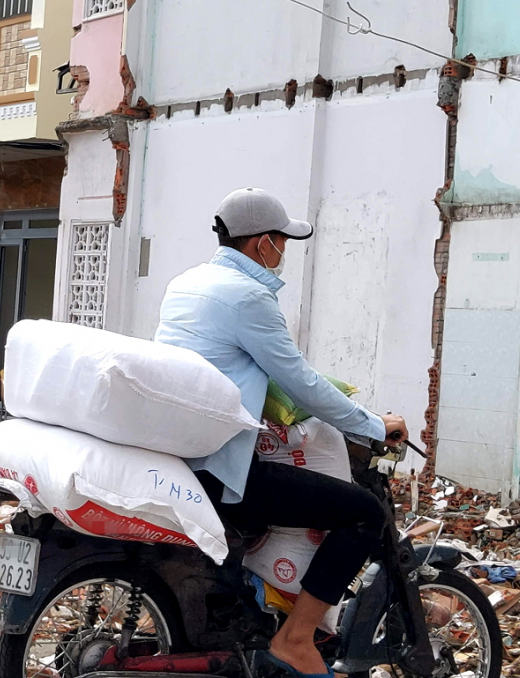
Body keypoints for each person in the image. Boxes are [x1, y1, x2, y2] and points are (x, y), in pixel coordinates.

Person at [155, 188, 408, 678]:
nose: (283, 253)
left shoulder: (186, 283)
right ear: (261, 244)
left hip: (183, 455)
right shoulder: (249, 297)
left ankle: (253, 614)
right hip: (222, 469)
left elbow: (231, 368)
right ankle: (295, 639)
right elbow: (302, 382)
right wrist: (375, 426)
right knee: (363, 513)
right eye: (282, 242)